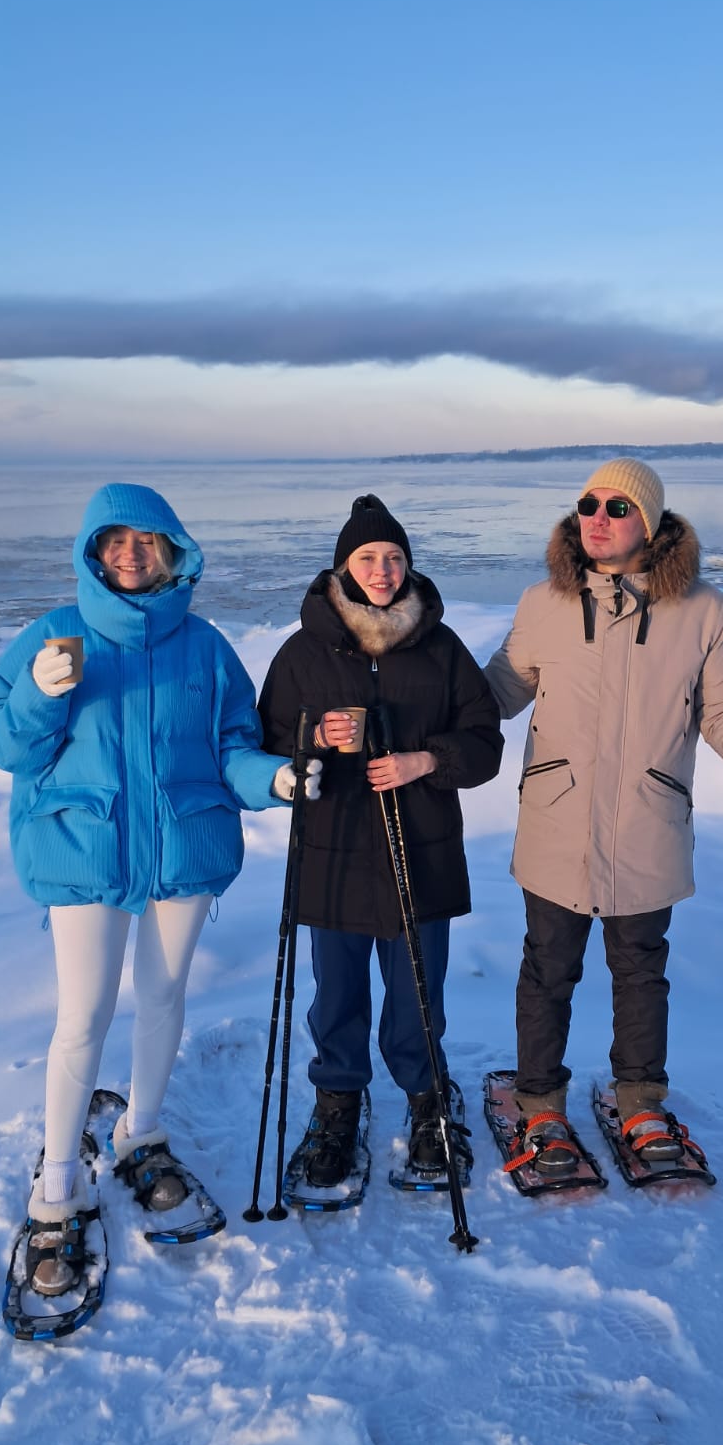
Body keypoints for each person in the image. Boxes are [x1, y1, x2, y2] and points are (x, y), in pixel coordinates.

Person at [0, 483, 316, 1297]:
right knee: (83, 1015)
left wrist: (274, 778)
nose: (130, 553)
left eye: (147, 540)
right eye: (114, 540)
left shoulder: (205, 648)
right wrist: (39, 693)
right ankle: (59, 1180)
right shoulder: (54, 636)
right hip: (85, 853)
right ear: (94, 551)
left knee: (163, 997)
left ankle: (142, 1133)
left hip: (181, 850)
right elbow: (5, 745)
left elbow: (233, 747)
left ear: (172, 549)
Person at [484, 457, 723, 1173]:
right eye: (588, 504)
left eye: (617, 508)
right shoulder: (544, 604)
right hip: (558, 823)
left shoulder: (703, 610)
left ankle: (641, 1101)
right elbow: (496, 692)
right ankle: (539, 1107)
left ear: (650, 523)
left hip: (647, 822)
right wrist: (418, 700)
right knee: (547, 969)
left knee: (640, 969)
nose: (598, 518)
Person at [257, 494, 504, 1189]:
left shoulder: (442, 649)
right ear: (342, 567)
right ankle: (338, 1098)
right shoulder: (305, 650)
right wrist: (314, 735)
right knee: (335, 991)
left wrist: (427, 761)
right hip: (334, 851)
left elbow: (485, 742)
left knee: (418, 990)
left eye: (395, 557)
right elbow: (268, 740)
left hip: (418, 848)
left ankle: (427, 1098)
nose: (384, 570)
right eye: (368, 558)